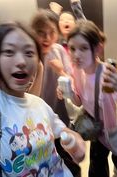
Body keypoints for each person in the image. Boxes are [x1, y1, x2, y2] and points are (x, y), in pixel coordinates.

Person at [0, 22, 85, 177]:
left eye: (29, 53)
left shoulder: (39, 104)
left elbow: (68, 137)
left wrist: (74, 142)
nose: (21, 61)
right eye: (9, 52)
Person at [57, 20, 117, 177]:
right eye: (72, 48)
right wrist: (68, 93)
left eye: (83, 48)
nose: (76, 55)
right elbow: (79, 100)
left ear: (97, 49)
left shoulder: (107, 78)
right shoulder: (78, 70)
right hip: (99, 133)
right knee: (96, 171)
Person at [30, 9, 82, 177]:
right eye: (41, 32)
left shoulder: (59, 50)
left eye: (51, 32)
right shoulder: (29, 54)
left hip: (60, 118)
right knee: (47, 164)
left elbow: (71, 80)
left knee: (70, 162)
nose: (46, 37)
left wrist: (62, 73)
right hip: (37, 123)